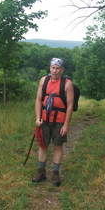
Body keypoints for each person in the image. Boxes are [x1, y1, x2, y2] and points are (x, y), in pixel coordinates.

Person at [32, 57, 74, 186]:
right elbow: (39, 100)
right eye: (53, 68)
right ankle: (41, 171)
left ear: (62, 70)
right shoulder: (43, 81)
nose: (55, 71)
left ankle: (55, 173)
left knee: (57, 145)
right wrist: (38, 118)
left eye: (58, 68)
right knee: (43, 144)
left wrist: (66, 125)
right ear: (50, 68)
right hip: (44, 118)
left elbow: (70, 105)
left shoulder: (67, 84)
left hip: (59, 120)